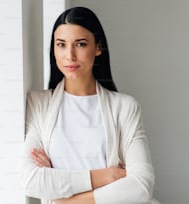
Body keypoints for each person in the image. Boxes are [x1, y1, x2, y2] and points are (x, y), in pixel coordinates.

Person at [21, 6, 159, 204]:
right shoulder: (38, 104)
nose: (69, 55)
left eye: (80, 44)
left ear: (98, 47)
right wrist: (108, 175)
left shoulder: (126, 107)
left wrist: (66, 200)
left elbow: (141, 187)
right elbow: (31, 180)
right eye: (61, 44)